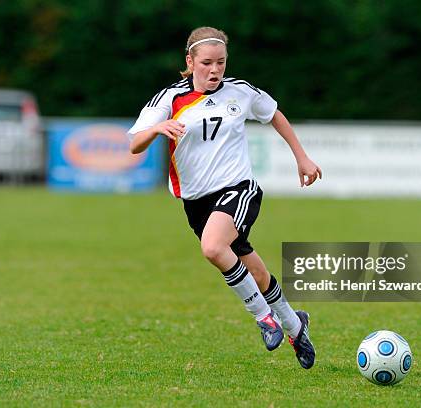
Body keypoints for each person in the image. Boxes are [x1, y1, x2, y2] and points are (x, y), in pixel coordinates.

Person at [128, 26, 322, 369]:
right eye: (206, 63)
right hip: (195, 203)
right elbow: (134, 144)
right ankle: (295, 325)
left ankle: (263, 318)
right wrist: (157, 129)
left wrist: (302, 157)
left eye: (221, 62)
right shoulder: (170, 99)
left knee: (213, 248)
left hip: (238, 189)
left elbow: (273, 114)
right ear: (190, 61)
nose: (215, 69)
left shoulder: (240, 92)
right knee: (256, 273)